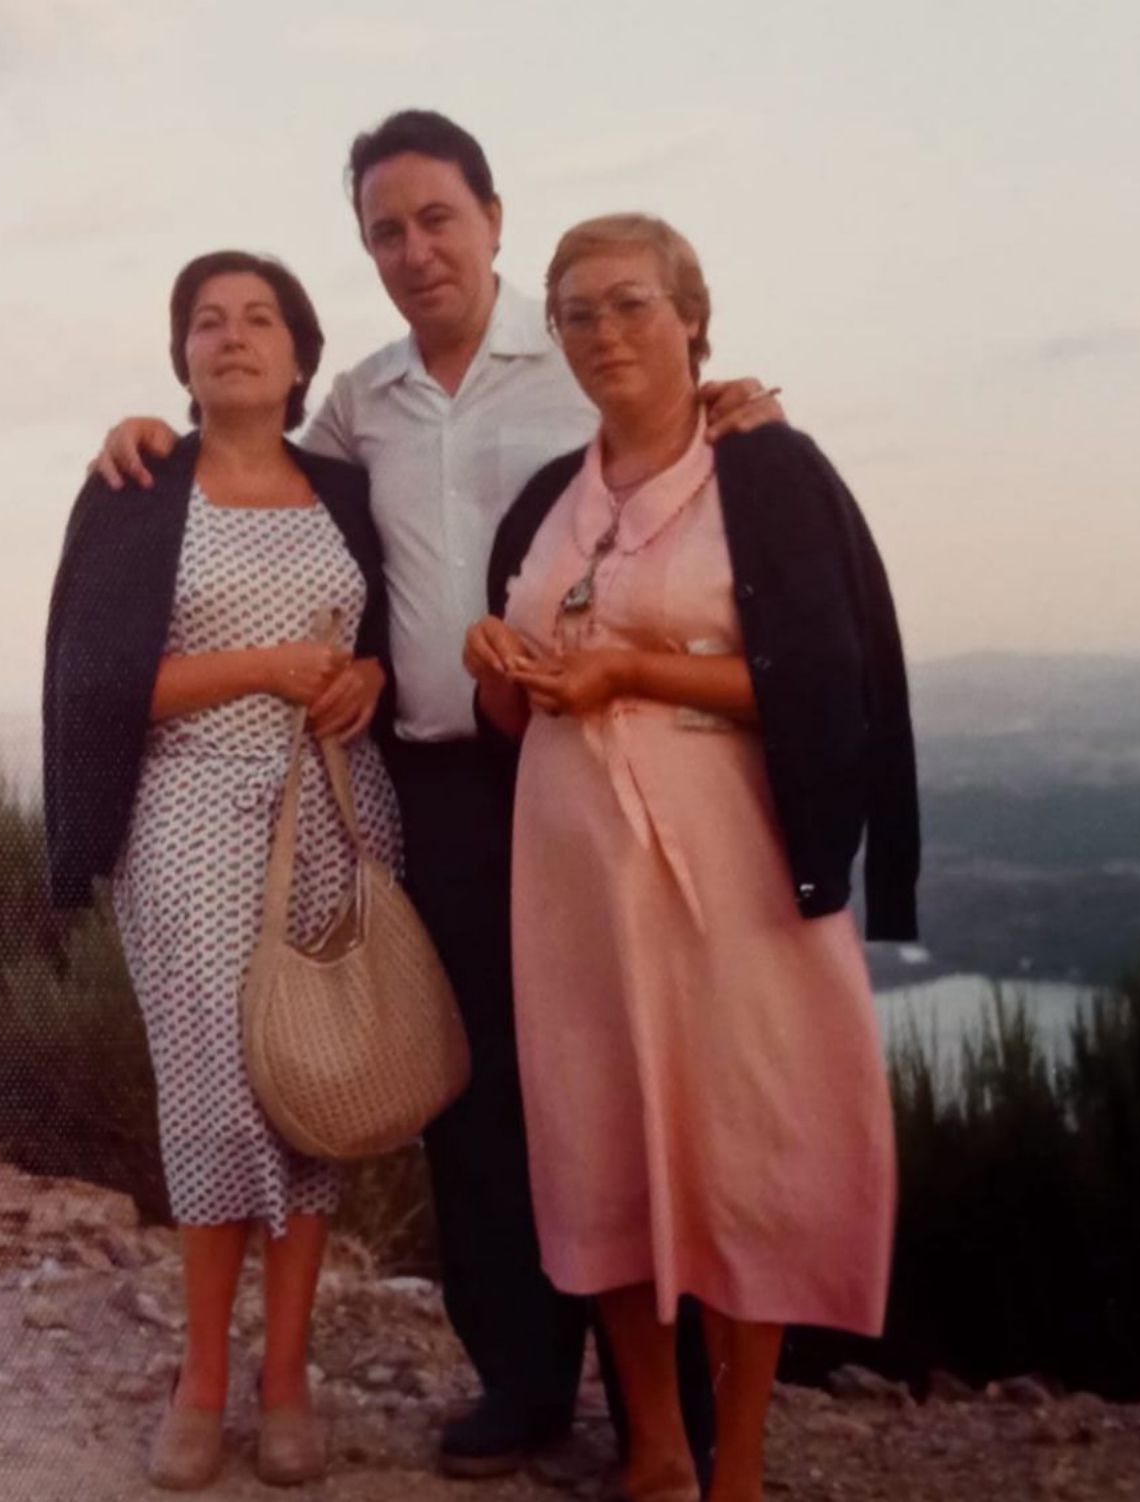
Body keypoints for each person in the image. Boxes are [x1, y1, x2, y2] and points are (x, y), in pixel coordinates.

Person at [89, 112, 785, 1481]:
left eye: (436, 219)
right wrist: (145, 436)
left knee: (637, 1079)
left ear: (494, 216)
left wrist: (738, 406)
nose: (414, 251)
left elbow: (678, 427)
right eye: (385, 232)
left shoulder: (582, 355)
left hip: (595, 768)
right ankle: (522, 1380)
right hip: (434, 784)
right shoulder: (362, 397)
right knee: (469, 1094)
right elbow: (269, 476)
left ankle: (685, 1420)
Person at [463, 213, 918, 1502]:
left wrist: (631, 669)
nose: (604, 332)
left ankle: (744, 1464)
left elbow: (829, 681)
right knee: (600, 1137)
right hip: (571, 876)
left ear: (690, 318)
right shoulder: (551, 498)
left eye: (631, 305)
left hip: (736, 862)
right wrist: (494, 666)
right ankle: (655, 1447)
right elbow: (512, 716)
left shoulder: (769, 474)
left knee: (748, 1140)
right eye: (576, 311)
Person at [43, 250, 401, 1490]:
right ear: (181, 359)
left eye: (260, 319)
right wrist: (260, 667)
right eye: (208, 321)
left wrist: (367, 678)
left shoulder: (349, 493)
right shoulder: (139, 486)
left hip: (338, 812)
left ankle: (286, 1376)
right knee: (208, 1092)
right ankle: (203, 1376)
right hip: (186, 814)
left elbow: (389, 643)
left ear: (301, 357)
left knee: (314, 1091)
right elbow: (94, 683)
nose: (233, 336)